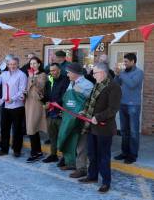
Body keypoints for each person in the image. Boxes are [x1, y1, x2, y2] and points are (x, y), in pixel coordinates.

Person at [79, 62, 121, 193]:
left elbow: (113, 109)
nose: (92, 75)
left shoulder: (114, 87)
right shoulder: (97, 84)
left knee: (103, 156)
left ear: (102, 73)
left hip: (104, 128)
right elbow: (90, 101)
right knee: (92, 154)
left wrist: (98, 117)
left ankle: (106, 182)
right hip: (92, 127)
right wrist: (84, 112)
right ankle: (92, 176)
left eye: (94, 72)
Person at [57, 62, 93, 170]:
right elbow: (68, 99)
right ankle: (70, 163)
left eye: (68, 73)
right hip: (70, 118)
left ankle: (81, 168)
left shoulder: (87, 84)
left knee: (81, 145)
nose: (67, 75)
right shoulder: (71, 83)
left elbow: (89, 101)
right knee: (70, 140)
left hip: (81, 119)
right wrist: (64, 111)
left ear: (74, 73)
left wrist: (80, 91)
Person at [0, 57, 27, 157]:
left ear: (18, 64)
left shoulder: (22, 75)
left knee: (17, 130)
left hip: (17, 106)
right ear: (8, 65)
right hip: (5, 106)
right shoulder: (4, 74)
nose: (12, 66)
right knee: (4, 129)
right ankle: (4, 149)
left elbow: (22, 90)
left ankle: (16, 150)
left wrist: (13, 99)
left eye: (14, 64)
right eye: (10, 64)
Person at [114, 53, 144, 164]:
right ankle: (124, 152)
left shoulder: (139, 72)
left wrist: (120, 74)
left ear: (133, 62)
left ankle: (133, 155)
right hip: (122, 104)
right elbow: (116, 84)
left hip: (133, 105)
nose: (124, 64)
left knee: (133, 132)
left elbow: (131, 84)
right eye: (124, 62)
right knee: (124, 131)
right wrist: (117, 75)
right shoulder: (123, 73)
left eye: (126, 62)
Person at [42, 63, 69, 163]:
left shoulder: (65, 80)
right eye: (51, 71)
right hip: (50, 114)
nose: (52, 72)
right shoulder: (49, 81)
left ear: (59, 70)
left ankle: (65, 157)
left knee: (63, 137)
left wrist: (53, 104)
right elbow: (46, 95)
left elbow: (64, 96)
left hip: (61, 114)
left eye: (54, 70)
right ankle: (53, 155)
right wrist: (44, 102)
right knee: (52, 136)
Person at [25, 57, 47, 163]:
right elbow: (28, 88)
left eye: (34, 63)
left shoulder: (42, 75)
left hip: (36, 104)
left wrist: (33, 78)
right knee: (32, 128)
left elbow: (40, 87)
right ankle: (38, 151)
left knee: (32, 128)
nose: (32, 65)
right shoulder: (29, 75)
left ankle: (35, 153)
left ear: (39, 64)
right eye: (31, 63)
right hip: (28, 103)